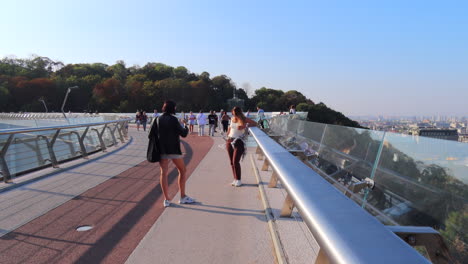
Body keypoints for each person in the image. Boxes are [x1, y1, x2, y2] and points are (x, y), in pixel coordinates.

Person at [155, 100, 194, 207]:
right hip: (173, 149)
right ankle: (182, 196)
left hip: (162, 150)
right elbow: (184, 134)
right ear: (173, 108)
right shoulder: (174, 120)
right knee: (182, 170)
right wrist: (185, 125)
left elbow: (153, 135)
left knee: (163, 173)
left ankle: (166, 199)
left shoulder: (158, 119)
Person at [226, 106, 247, 187]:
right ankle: (235, 179)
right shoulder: (232, 119)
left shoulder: (243, 119)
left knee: (235, 161)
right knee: (231, 162)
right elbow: (230, 127)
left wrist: (244, 126)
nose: (234, 115)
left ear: (239, 113)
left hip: (238, 141)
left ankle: (238, 179)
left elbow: (254, 123)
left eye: (235, 113)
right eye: (233, 113)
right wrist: (228, 133)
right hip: (229, 140)